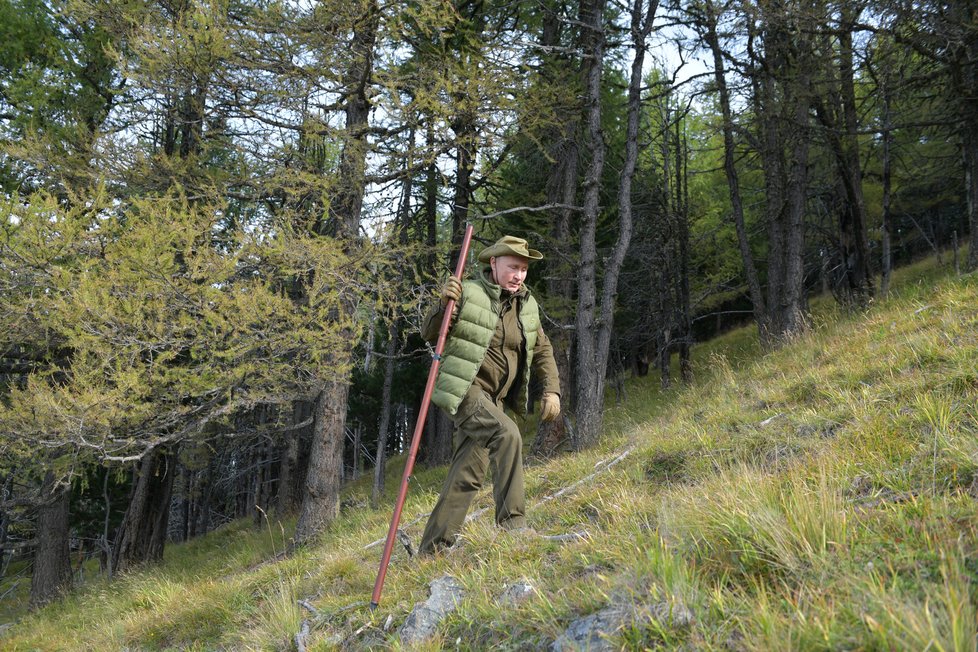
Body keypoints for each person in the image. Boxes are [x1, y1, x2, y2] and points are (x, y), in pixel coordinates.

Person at [418, 235, 561, 555]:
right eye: (513, 267)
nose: (519, 275)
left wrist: (551, 389)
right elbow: (430, 332)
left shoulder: (527, 305)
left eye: (524, 269)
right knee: (508, 435)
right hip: (465, 389)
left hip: (494, 399)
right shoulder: (469, 292)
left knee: (467, 474)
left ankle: (432, 551)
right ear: (493, 264)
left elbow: (543, 349)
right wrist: (443, 305)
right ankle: (513, 524)